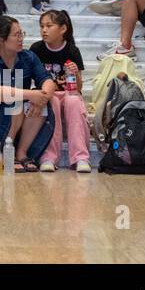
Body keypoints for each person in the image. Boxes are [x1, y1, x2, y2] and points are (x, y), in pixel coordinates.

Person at [0, 16, 57, 171]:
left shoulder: (28, 57)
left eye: (22, 34)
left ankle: (21, 152)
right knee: (17, 99)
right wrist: (29, 95)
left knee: (40, 101)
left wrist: (42, 97)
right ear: (1, 40)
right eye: (16, 35)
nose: (21, 39)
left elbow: (46, 80)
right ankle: (6, 152)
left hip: (19, 121)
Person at [30, 9, 91, 172]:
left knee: (73, 101)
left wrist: (75, 72)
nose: (44, 30)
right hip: (48, 94)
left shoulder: (72, 50)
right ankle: (48, 157)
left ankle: (80, 157)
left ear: (63, 29)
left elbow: (79, 87)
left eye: (49, 26)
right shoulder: (36, 49)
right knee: (53, 101)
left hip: (69, 93)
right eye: (41, 26)